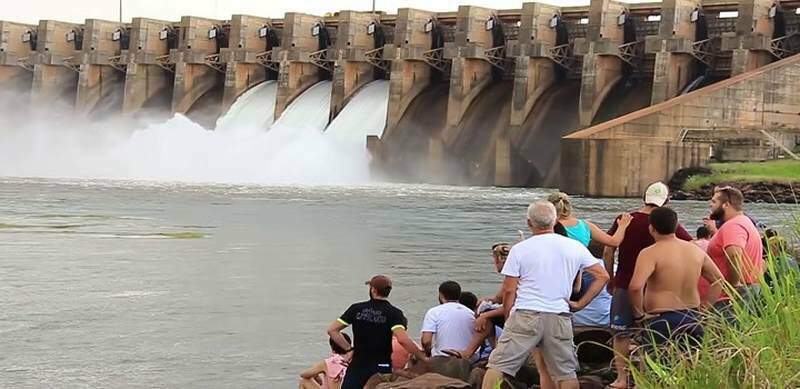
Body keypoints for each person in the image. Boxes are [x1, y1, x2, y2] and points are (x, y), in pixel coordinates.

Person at [482, 201, 610, 389]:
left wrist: (508, 315)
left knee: (498, 366)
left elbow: (509, 289)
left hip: (526, 314)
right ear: (555, 221)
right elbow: (602, 275)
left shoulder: (520, 249)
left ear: (529, 223)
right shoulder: (574, 247)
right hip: (558, 315)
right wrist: (580, 304)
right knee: (565, 373)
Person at [603, 181, 694, 389]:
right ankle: (645, 379)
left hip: (625, 284)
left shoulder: (624, 219)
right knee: (650, 333)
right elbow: (689, 245)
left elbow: (608, 250)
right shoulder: (666, 222)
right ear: (666, 201)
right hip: (652, 288)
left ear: (644, 198)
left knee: (620, 333)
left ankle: (621, 379)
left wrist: (611, 277)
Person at [628, 207, 724, 349]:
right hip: (692, 315)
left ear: (651, 228)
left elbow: (635, 287)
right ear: (676, 226)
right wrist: (706, 308)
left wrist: (639, 315)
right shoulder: (695, 250)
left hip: (661, 318)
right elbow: (718, 280)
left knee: (657, 365)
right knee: (689, 365)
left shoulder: (650, 253)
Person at [327, 275, 428, 389]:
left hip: (358, 365)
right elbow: (402, 339)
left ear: (373, 290)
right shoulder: (394, 313)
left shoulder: (356, 309)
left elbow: (332, 330)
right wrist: (423, 357)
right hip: (381, 367)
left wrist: (349, 349)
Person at [701, 186, 764, 318]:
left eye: (713, 201)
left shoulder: (733, 226)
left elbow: (734, 253)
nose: (710, 204)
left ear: (726, 205)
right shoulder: (744, 222)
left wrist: (733, 284)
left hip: (731, 296)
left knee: (722, 335)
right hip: (747, 289)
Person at [421, 281, 476, 358]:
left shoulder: (434, 312)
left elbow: (426, 341)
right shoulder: (471, 313)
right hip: (468, 357)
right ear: (459, 295)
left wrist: (428, 354)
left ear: (441, 295)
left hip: (442, 357)